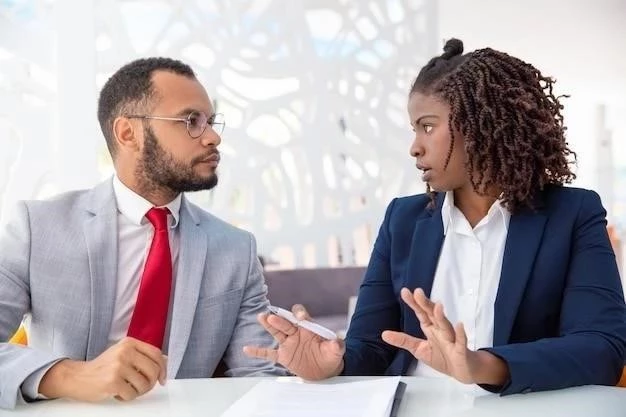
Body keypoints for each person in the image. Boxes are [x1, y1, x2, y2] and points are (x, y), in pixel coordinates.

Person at [244, 39, 626, 394]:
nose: (414, 146)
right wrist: (336, 363)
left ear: (483, 125)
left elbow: (601, 348)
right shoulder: (403, 220)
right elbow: (373, 346)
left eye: (428, 126)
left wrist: (483, 365)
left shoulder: (571, 214)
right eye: (414, 129)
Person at [0, 57, 284, 409]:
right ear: (127, 133)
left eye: (210, 121)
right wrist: (70, 375)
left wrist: (305, 365)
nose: (213, 136)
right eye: (191, 121)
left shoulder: (236, 249)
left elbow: (258, 379)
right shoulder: (38, 227)